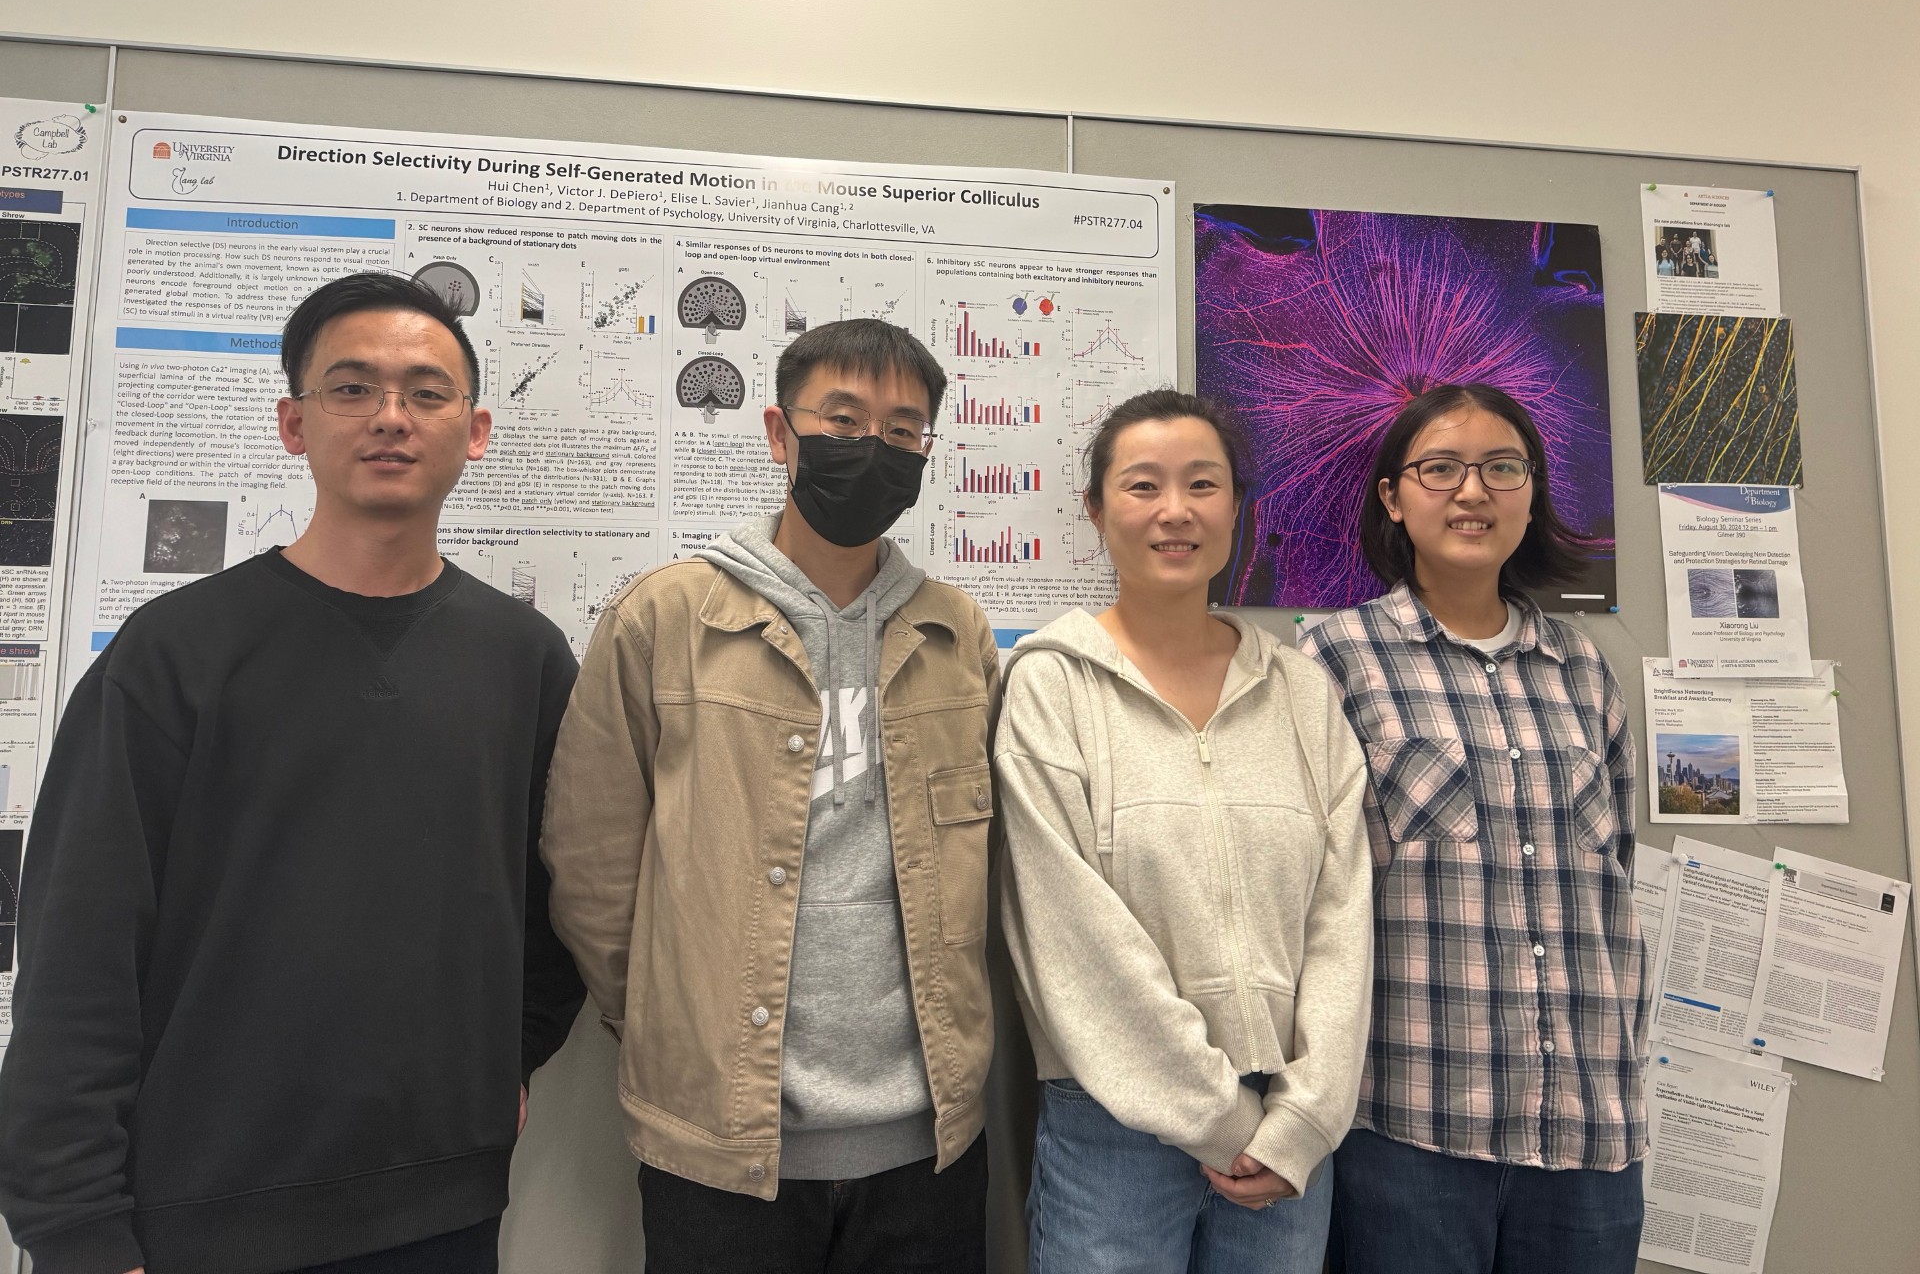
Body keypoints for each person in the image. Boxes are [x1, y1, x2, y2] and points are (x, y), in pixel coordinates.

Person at [0, 272, 585, 1274]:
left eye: (426, 392)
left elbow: (561, 906)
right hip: (201, 1212)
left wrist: (506, 1061)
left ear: (476, 430)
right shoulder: (174, 653)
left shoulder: (523, 658)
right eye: (351, 388)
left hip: (443, 1209)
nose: (391, 417)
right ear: (293, 424)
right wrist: (73, 1226)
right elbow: (79, 952)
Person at [543, 318, 999, 1273]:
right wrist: (673, 1016)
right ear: (778, 432)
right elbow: (591, 861)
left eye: (902, 430)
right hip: (721, 1149)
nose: (872, 447)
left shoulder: (956, 632)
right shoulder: (665, 618)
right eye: (844, 419)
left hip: (928, 1144)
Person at [996, 388, 1373, 1274]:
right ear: (1096, 510)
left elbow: (1343, 914)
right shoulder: (1050, 686)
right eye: (1143, 486)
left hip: (1288, 1130)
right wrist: (1219, 1120)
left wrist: (1305, 1118)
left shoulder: (1300, 693)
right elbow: (1069, 934)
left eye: (1203, 485)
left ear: (1237, 508)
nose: (1175, 511)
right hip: (1113, 1124)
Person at [1301, 382, 1648, 1274]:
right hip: (1411, 1128)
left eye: (1501, 469)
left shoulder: (1583, 669)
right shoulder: (1334, 660)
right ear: (1393, 497)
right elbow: (1308, 898)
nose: (1472, 492)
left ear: (1531, 495)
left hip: (1588, 1134)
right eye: (1442, 469)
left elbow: (1618, 881)